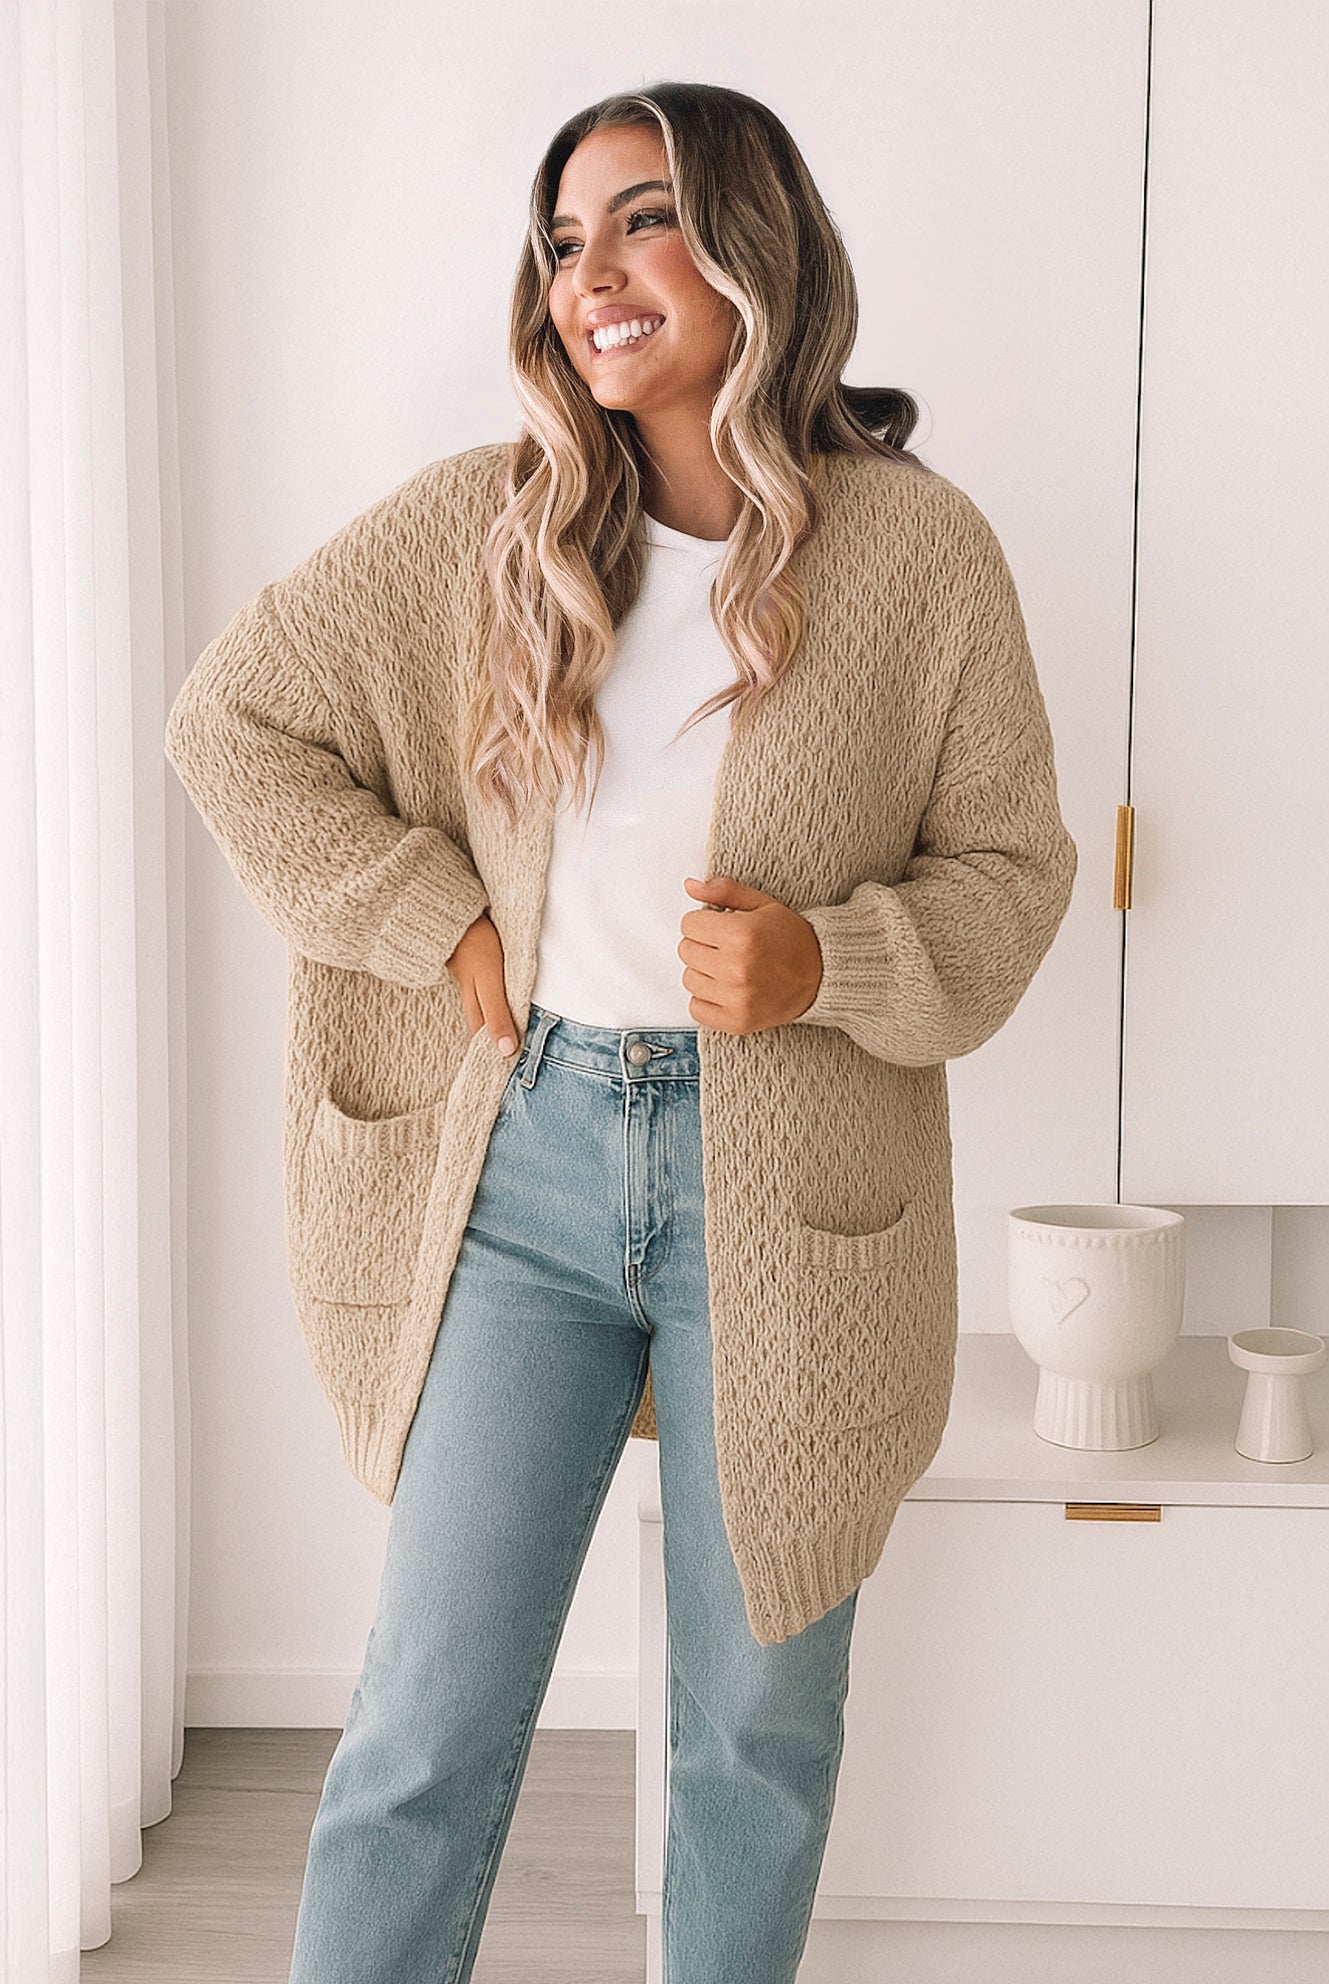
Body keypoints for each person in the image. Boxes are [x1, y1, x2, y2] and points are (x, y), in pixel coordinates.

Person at [164, 79, 1077, 1984]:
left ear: (755, 245)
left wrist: (826, 966)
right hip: (521, 1177)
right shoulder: (480, 532)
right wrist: (435, 923)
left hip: (794, 1204)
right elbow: (231, 726)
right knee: (425, 1721)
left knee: (757, 1729)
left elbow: (1010, 876)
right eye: (565, 239)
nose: (593, 273)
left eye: (642, 219)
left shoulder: (920, 556)